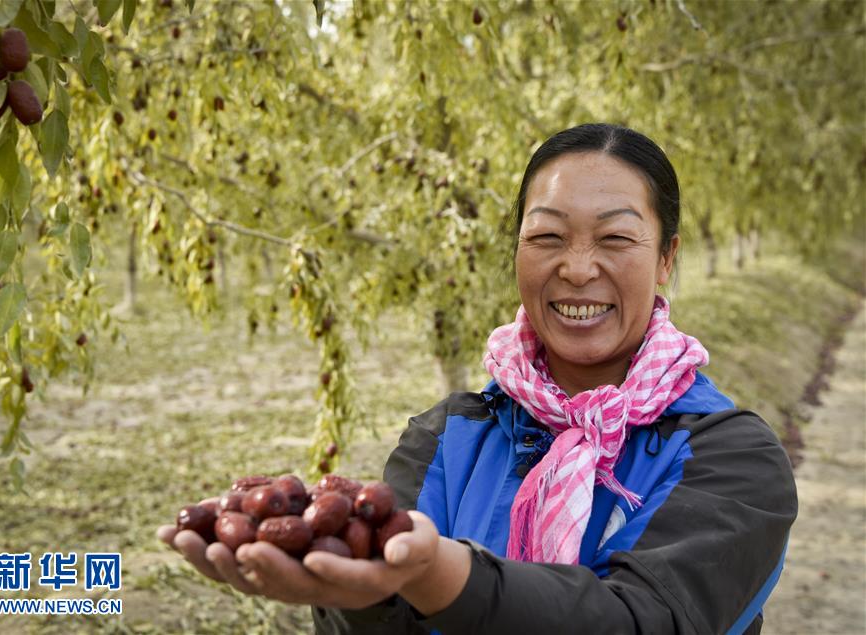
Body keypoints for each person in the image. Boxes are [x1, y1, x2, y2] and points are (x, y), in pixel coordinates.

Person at [157, 123, 797, 634]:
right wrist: (355, 594)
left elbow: (645, 618)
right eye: (547, 235)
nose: (576, 269)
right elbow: (384, 616)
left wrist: (445, 576)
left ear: (666, 258)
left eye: (615, 238)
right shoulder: (449, 433)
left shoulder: (730, 455)